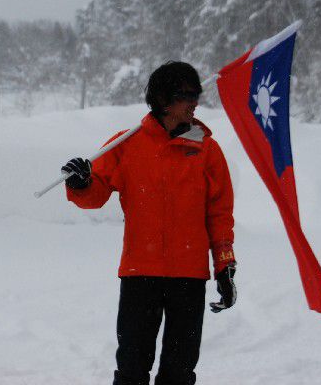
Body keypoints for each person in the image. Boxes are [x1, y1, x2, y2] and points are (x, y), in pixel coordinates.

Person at [62, 61, 236, 385]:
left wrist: (224, 265)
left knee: (179, 372)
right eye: (187, 95)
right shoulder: (127, 144)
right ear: (163, 99)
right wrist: (80, 182)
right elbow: (95, 194)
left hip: (189, 277)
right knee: (131, 369)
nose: (195, 102)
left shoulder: (207, 150)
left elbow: (219, 214)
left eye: (196, 93)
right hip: (140, 274)